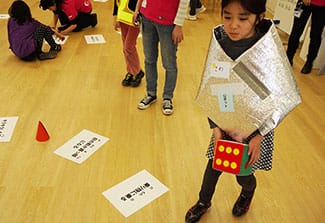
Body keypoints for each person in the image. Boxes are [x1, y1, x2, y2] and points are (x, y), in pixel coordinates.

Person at [185, 0, 276, 222]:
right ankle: (203, 202)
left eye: (243, 18)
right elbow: (214, 87)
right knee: (214, 165)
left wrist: (258, 135)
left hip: (256, 126)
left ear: (259, 17)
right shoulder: (222, 43)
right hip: (225, 117)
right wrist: (216, 126)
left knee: (243, 171)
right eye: (227, 17)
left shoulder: (267, 50)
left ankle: (247, 191)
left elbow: (276, 97)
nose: (233, 25)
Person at [134, 0, 189, 115]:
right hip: (147, 18)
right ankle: (151, 93)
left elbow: (184, 1)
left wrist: (178, 25)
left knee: (169, 64)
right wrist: (137, 9)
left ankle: (167, 98)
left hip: (168, 23)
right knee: (149, 59)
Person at [286, 0, 325, 74]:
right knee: (296, 30)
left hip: (322, 6)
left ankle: (309, 62)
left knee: (315, 35)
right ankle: (288, 57)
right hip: (302, 3)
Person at [113, 0, 144, 87]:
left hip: (134, 17)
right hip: (122, 17)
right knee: (125, 47)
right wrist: (115, 17)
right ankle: (131, 70)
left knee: (128, 47)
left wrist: (139, 14)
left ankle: (137, 71)